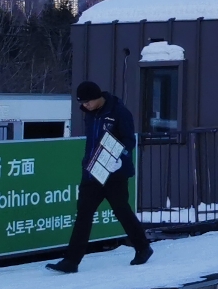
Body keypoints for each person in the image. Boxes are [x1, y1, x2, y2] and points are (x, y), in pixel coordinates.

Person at [47, 81, 152, 273]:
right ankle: (71, 261)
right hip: (93, 172)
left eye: (87, 102)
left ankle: (143, 247)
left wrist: (119, 156)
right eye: (82, 103)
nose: (84, 106)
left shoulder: (119, 112)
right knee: (84, 214)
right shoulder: (90, 114)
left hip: (115, 173)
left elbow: (130, 139)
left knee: (121, 211)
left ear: (98, 97)